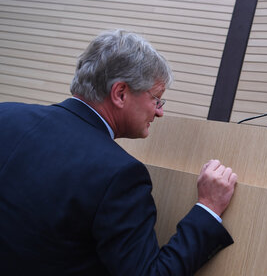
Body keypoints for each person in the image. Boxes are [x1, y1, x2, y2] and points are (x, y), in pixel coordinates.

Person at [0, 29, 237, 275]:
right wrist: (208, 208)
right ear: (120, 93)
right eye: (157, 99)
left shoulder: (4, 115)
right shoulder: (119, 174)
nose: (159, 112)